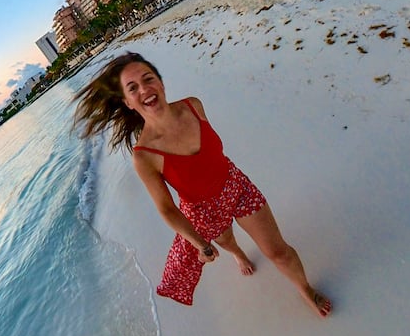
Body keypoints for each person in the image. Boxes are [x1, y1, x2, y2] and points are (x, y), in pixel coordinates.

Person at [73, 51, 332, 317]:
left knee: (278, 252)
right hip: (204, 211)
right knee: (227, 240)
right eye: (133, 88)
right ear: (128, 102)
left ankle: (304, 288)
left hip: (235, 185)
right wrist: (199, 244)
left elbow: (211, 157)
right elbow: (167, 209)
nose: (144, 90)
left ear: (160, 82)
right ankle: (238, 254)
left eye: (148, 79)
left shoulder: (194, 106)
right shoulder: (144, 156)